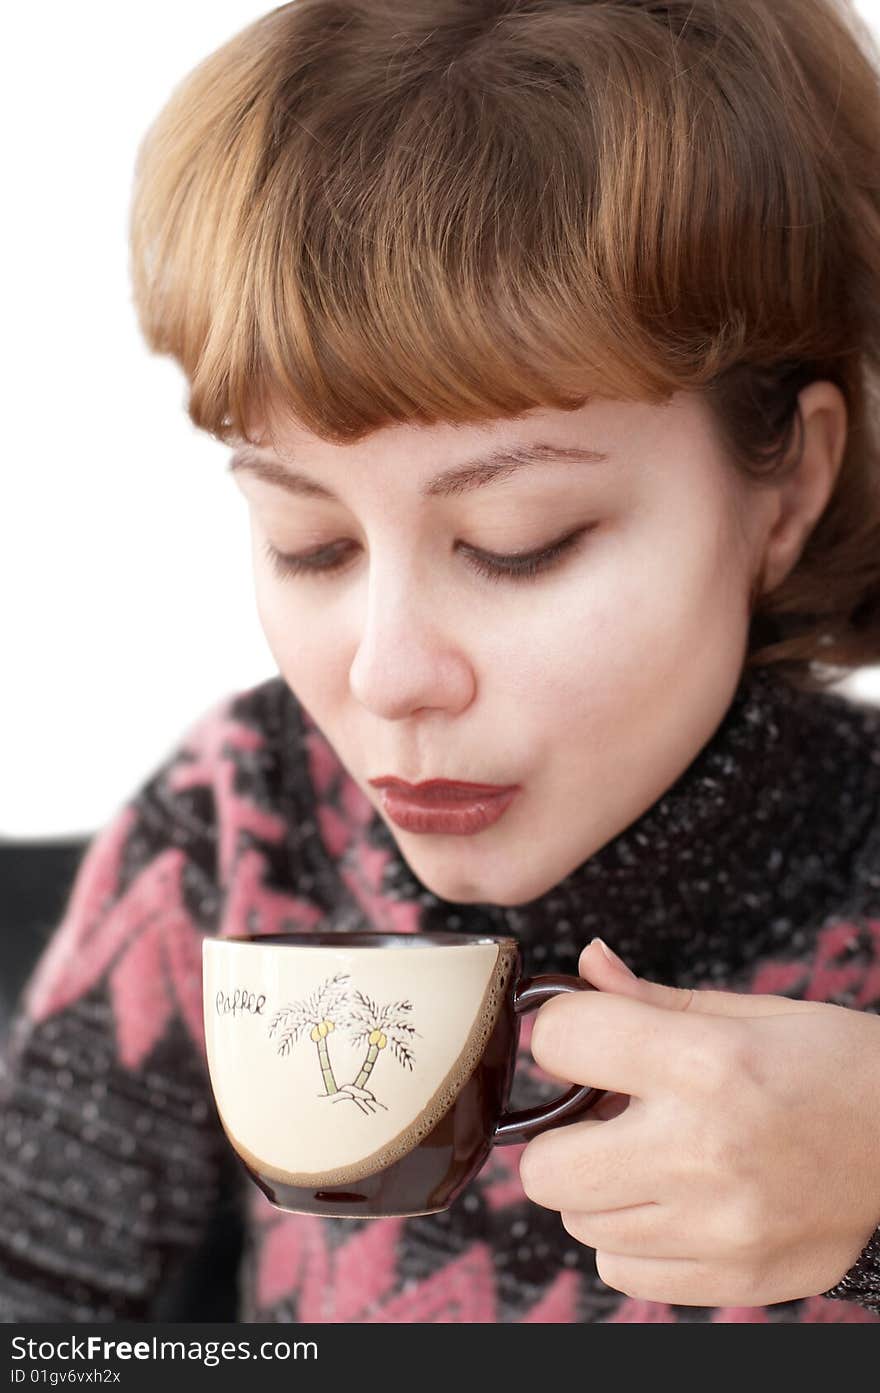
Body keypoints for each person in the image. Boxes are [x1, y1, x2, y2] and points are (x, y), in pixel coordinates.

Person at [2, 0, 880, 1323]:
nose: (388, 674)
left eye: (519, 542)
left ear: (788, 487)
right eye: (308, 541)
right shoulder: (240, 817)